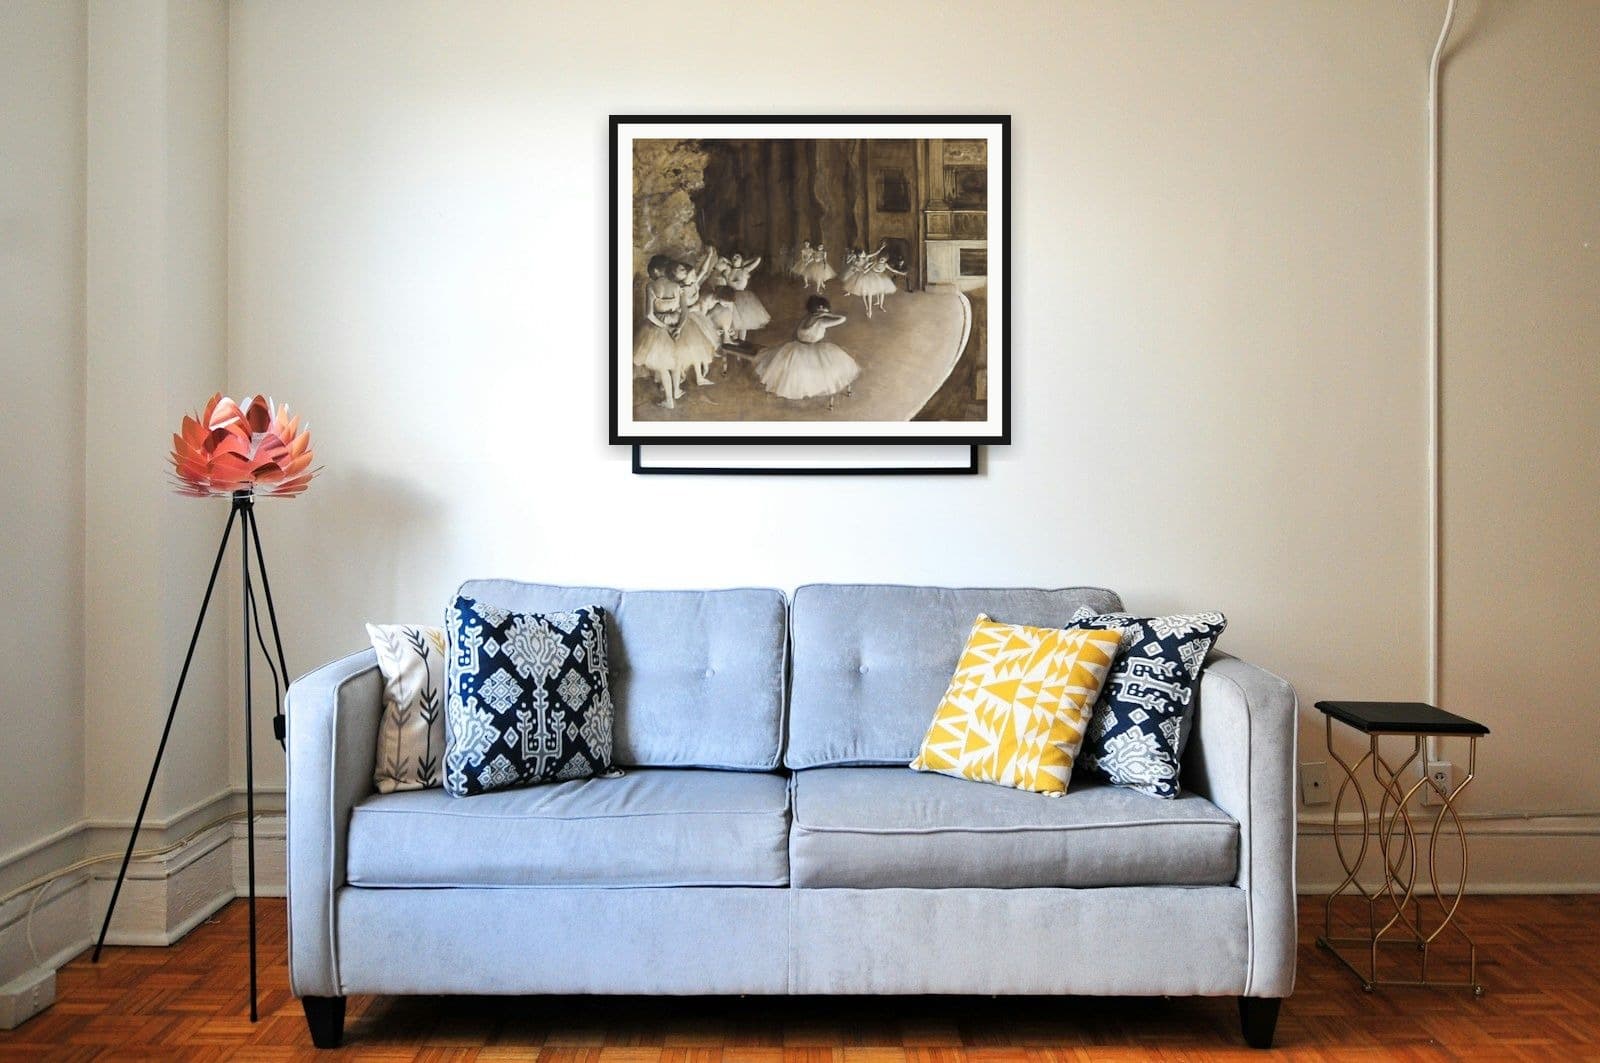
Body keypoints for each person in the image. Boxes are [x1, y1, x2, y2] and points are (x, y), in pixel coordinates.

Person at [753, 295, 859, 407]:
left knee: (803, 369)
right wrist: (826, 314)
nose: (828, 310)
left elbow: (798, 334)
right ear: (821, 307)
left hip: (802, 348)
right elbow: (843, 319)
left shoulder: (807, 317)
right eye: (826, 308)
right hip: (804, 349)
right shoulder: (821, 321)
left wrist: (824, 314)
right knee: (799, 370)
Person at [634, 254, 683, 408]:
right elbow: (680, 310)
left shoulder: (651, 286)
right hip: (674, 324)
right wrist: (674, 324)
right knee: (675, 362)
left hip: (658, 327)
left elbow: (649, 314)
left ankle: (669, 400)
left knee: (662, 367)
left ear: (655, 270)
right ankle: (676, 391)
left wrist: (664, 326)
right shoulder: (676, 286)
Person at [672, 248, 720, 387]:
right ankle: (681, 375)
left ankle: (699, 378)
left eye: (693, 275)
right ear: (682, 277)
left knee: (698, 348)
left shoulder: (694, 284)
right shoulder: (679, 289)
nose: (694, 276)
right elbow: (680, 308)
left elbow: (704, 271)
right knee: (687, 350)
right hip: (685, 320)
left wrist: (710, 255)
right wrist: (693, 308)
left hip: (697, 318)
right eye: (691, 274)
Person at [725, 253, 770, 340]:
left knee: (743, 323)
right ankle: (733, 342)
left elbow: (758, 258)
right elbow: (721, 260)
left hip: (743, 299)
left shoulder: (745, 270)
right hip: (730, 297)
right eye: (733, 256)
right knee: (732, 323)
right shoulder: (728, 270)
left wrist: (744, 263)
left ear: (742, 259)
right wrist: (729, 263)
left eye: (737, 256)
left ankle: (742, 342)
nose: (735, 257)